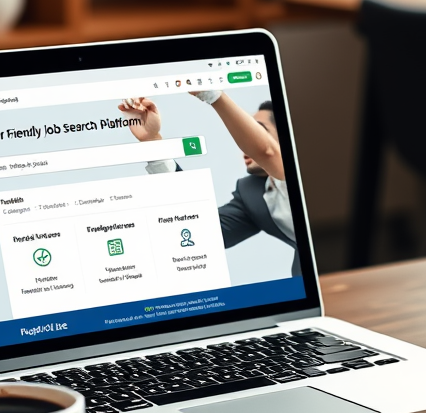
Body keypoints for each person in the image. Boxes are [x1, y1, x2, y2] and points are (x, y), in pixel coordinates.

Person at [118, 93, 298, 277]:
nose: (245, 144)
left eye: (257, 131)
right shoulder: (252, 193)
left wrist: (213, 94)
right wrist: (152, 142)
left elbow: (268, 152)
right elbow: (203, 229)